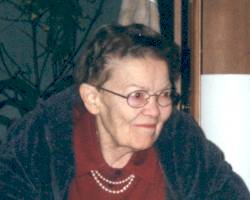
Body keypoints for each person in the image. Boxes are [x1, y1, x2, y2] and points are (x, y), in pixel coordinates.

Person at [0, 23, 249, 200]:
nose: (154, 111)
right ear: (93, 98)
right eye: (137, 96)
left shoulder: (182, 142)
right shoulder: (39, 144)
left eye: (164, 94)